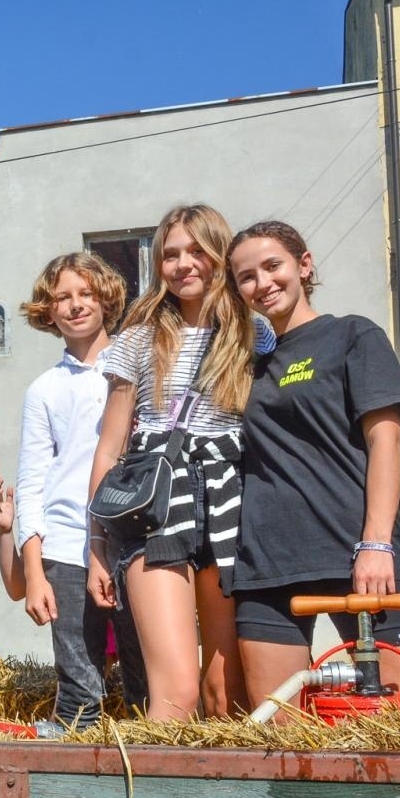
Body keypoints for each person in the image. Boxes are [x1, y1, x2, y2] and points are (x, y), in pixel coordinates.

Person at [226, 220, 400, 705]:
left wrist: (376, 543)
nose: (262, 283)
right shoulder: (243, 366)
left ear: (304, 265)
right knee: (279, 733)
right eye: (246, 277)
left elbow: (385, 441)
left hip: (359, 551)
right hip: (268, 562)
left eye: (272, 266)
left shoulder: (352, 336)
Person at [87, 205, 276, 719]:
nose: (183, 264)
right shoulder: (139, 337)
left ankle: (217, 778)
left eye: (197, 251)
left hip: (229, 497)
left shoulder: (254, 334)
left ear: (220, 255)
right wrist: (96, 546)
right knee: (177, 693)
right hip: (156, 501)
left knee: (225, 695)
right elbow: (109, 447)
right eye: (170, 255)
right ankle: (153, 775)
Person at [15, 252, 146, 732]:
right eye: (62, 298)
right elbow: (31, 481)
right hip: (66, 544)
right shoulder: (44, 389)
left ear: (105, 298)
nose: (75, 305)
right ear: (48, 312)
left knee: (143, 670)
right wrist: (34, 571)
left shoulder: (136, 365)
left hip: (134, 537)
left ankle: (148, 743)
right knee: (78, 676)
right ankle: (72, 741)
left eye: (86, 293)